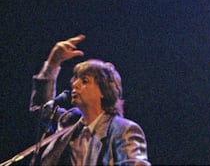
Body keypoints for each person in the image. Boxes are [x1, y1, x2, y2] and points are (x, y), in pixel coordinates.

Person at [29, 34, 150, 165]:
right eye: (75, 79)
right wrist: (53, 63)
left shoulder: (123, 129)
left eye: (85, 81)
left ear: (104, 91)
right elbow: (42, 108)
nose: (75, 84)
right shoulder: (68, 122)